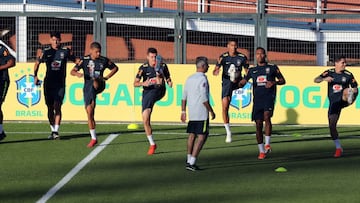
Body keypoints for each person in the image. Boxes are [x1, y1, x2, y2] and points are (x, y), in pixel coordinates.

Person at [239, 47, 285, 160]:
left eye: (261, 54)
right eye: (257, 54)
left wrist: (273, 82)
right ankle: (261, 151)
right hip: (257, 100)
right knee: (258, 124)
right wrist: (238, 82)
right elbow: (243, 82)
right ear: (255, 56)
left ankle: (267, 144)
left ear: (265, 55)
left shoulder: (272, 68)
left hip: (268, 97)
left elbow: (283, 80)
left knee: (267, 117)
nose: (259, 56)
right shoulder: (252, 70)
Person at [71, 42, 118, 148]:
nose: (98, 53)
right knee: (89, 112)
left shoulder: (103, 60)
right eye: (96, 52)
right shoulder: (84, 60)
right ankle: (93, 138)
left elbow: (115, 68)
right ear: (91, 50)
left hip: (100, 84)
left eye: (99, 51)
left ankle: (95, 81)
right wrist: (78, 74)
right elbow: (72, 71)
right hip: (88, 89)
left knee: (95, 80)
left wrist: (106, 77)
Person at [34, 31, 77, 140]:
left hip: (60, 84)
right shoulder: (46, 51)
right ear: (50, 40)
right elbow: (37, 63)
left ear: (60, 40)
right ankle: (53, 130)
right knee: (49, 107)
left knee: (57, 106)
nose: (55, 41)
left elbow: (77, 61)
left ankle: (56, 131)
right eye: (53, 39)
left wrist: (80, 68)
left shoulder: (65, 51)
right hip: (48, 83)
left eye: (57, 39)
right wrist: (35, 76)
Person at [314, 55, 358, 158]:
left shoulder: (348, 75)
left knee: (348, 90)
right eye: (343, 63)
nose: (345, 65)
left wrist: (354, 93)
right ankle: (338, 148)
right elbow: (316, 79)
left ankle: (349, 98)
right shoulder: (329, 72)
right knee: (332, 126)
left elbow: (356, 87)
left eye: (345, 63)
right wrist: (324, 79)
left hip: (343, 99)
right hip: (334, 102)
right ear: (336, 64)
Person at [134, 47, 173, 155]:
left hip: (159, 90)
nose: (153, 59)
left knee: (159, 76)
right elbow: (135, 83)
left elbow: (168, 78)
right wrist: (143, 83)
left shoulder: (163, 66)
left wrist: (169, 82)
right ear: (147, 57)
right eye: (151, 57)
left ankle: (157, 73)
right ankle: (152, 144)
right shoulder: (143, 68)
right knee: (145, 119)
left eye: (155, 57)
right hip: (148, 92)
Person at [181, 56, 215, 171]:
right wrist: (211, 111)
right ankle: (192, 162)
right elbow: (204, 98)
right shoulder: (203, 79)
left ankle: (188, 159)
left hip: (192, 111)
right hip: (201, 112)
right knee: (202, 136)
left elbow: (183, 97)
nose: (209, 67)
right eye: (207, 65)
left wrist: (183, 111)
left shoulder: (189, 78)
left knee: (192, 135)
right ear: (203, 66)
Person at [213, 39, 249, 143]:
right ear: (228, 46)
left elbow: (247, 72)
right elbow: (214, 72)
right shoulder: (223, 57)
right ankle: (228, 132)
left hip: (237, 82)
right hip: (227, 83)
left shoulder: (242, 58)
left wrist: (244, 80)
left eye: (236, 46)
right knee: (225, 106)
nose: (234, 48)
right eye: (232, 45)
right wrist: (217, 70)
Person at [0, 43, 16, 141]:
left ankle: (0, 131)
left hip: (2, 81)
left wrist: (1, 67)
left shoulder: (2, 49)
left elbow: (12, 62)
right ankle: (1, 132)